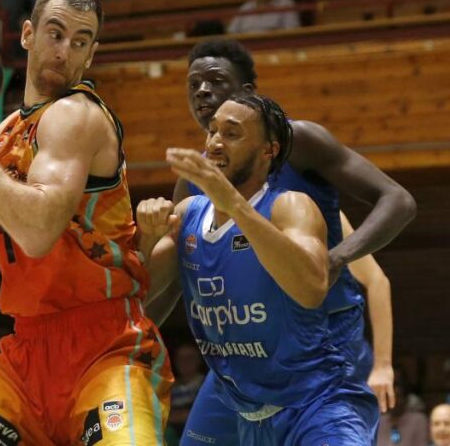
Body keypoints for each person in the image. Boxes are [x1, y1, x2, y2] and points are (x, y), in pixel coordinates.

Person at [0, 0, 173, 444]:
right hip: (25, 356)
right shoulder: (9, 132)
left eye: (80, 41)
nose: (64, 51)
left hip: (106, 348)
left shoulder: (78, 115)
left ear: (90, 56)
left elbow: (38, 233)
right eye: (55, 33)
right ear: (27, 35)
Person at [153, 38, 414, 445]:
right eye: (194, 84)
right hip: (242, 354)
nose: (202, 91)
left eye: (215, 81)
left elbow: (398, 200)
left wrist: (336, 258)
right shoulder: (194, 182)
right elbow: (175, 278)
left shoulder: (300, 144)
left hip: (320, 334)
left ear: (248, 94)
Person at [377, 371, 428, 446]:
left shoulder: (419, 420)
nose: (395, 403)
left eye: (398, 397)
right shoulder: (379, 421)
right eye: (391, 399)